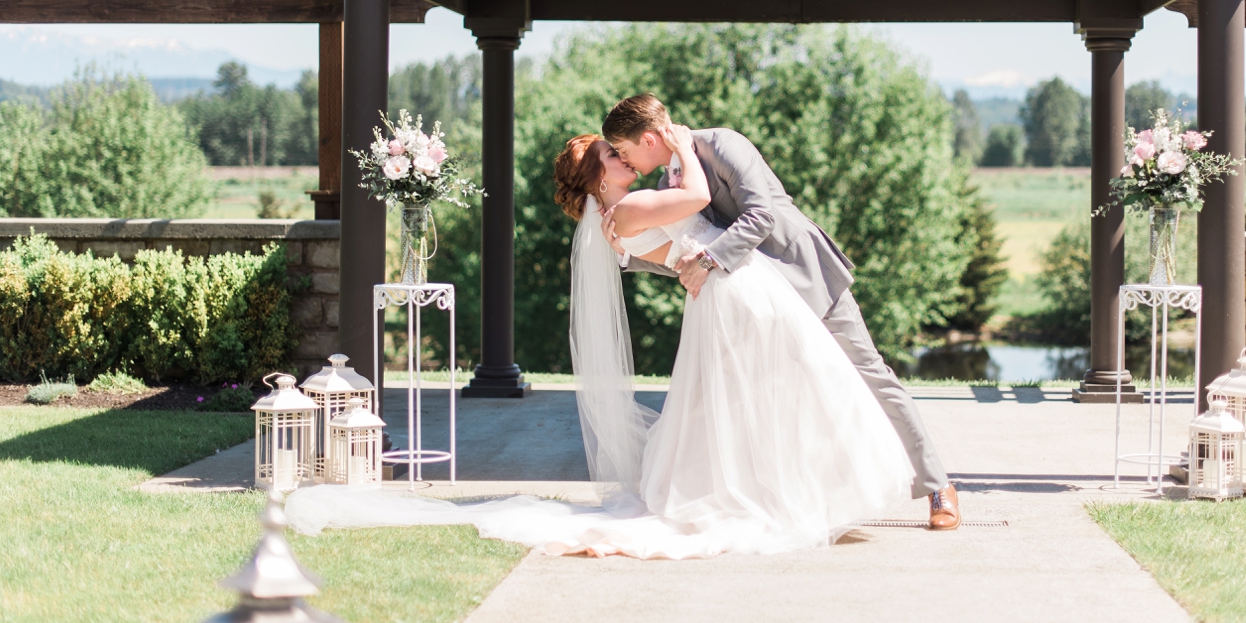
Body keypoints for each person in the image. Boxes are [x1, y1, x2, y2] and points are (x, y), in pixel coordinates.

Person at [285, 122, 915, 559]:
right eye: (613, 158)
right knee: (789, 390)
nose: (624, 159)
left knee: (767, 398)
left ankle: (785, 487)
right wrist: (678, 142)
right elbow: (696, 196)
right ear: (599, 179)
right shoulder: (631, 211)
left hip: (732, 290)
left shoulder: (624, 216)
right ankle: (783, 493)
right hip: (734, 294)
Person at [601, 94, 960, 530]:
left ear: (650, 138)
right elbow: (682, 251)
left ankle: (938, 485)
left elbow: (761, 215)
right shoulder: (665, 186)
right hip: (756, 305)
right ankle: (809, 499)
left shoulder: (723, 145)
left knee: (871, 374)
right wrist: (624, 252)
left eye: (624, 149)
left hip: (804, 275)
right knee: (782, 401)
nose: (625, 160)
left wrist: (710, 261)